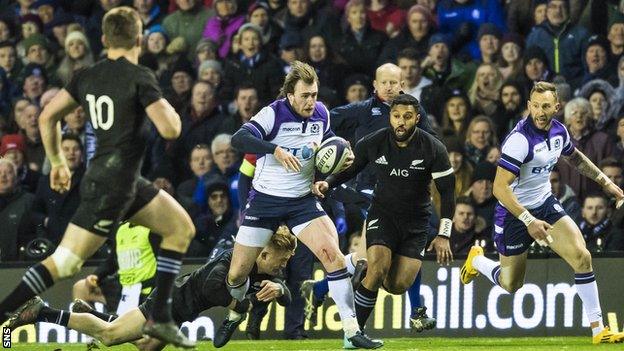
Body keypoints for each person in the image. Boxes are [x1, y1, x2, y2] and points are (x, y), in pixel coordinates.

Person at [0, 7, 196, 348]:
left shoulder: (86, 74)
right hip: (114, 186)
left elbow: (47, 115)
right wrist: (171, 111)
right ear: (138, 39)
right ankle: (3, 313)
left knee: (180, 229)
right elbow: (170, 128)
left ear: (104, 40)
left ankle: (160, 317)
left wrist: (58, 162)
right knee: (64, 263)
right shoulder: (139, 76)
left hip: (119, 180)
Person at [226, 60, 381, 349]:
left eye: (315, 94)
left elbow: (326, 143)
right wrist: (275, 149)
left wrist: (342, 151)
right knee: (236, 275)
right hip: (265, 202)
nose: (312, 101)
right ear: (290, 95)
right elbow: (239, 139)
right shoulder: (273, 114)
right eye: (305, 96)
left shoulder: (321, 113)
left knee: (332, 257)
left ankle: (351, 331)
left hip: (302, 201)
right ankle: (236, 312)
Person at [460, 82, 624, 344]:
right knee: (511, 284)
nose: (540, 111)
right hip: (514, 213)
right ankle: (477, 261)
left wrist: (606, 182)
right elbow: (500, 190)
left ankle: (598, 330)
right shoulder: (519, 140)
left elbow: (576, 158)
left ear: (556, 107)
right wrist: (528, 220)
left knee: (582, 257)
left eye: (546, 106)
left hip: (545, 204)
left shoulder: (559, 131)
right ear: (529, 106)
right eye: (535, 106)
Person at [8, 226, 296, 351]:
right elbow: (211, 289)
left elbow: (288, 297)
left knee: (144, 346)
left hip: (179, 312)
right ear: (265, 255)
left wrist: (280, 289)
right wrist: (241, 307)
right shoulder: (234, 262)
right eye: (280, 262)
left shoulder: (259, 267)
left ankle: (103, 318)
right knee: (109, 337)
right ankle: (42, 311)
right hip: (169, 304)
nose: (281, 267)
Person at [313, 93, 455, 335]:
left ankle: (359, 271)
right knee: (377, 269)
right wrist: (328, 182)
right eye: (397, 116)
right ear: (390, 116)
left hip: (416, 223)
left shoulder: (434, 148)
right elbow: (351, 170)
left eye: (408, 117)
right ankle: (354, 334)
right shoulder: (374, 142)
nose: (401, 122)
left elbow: (449, 193)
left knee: (397, 285)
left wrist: (444, 235)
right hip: (383, 215)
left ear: (417, 118)